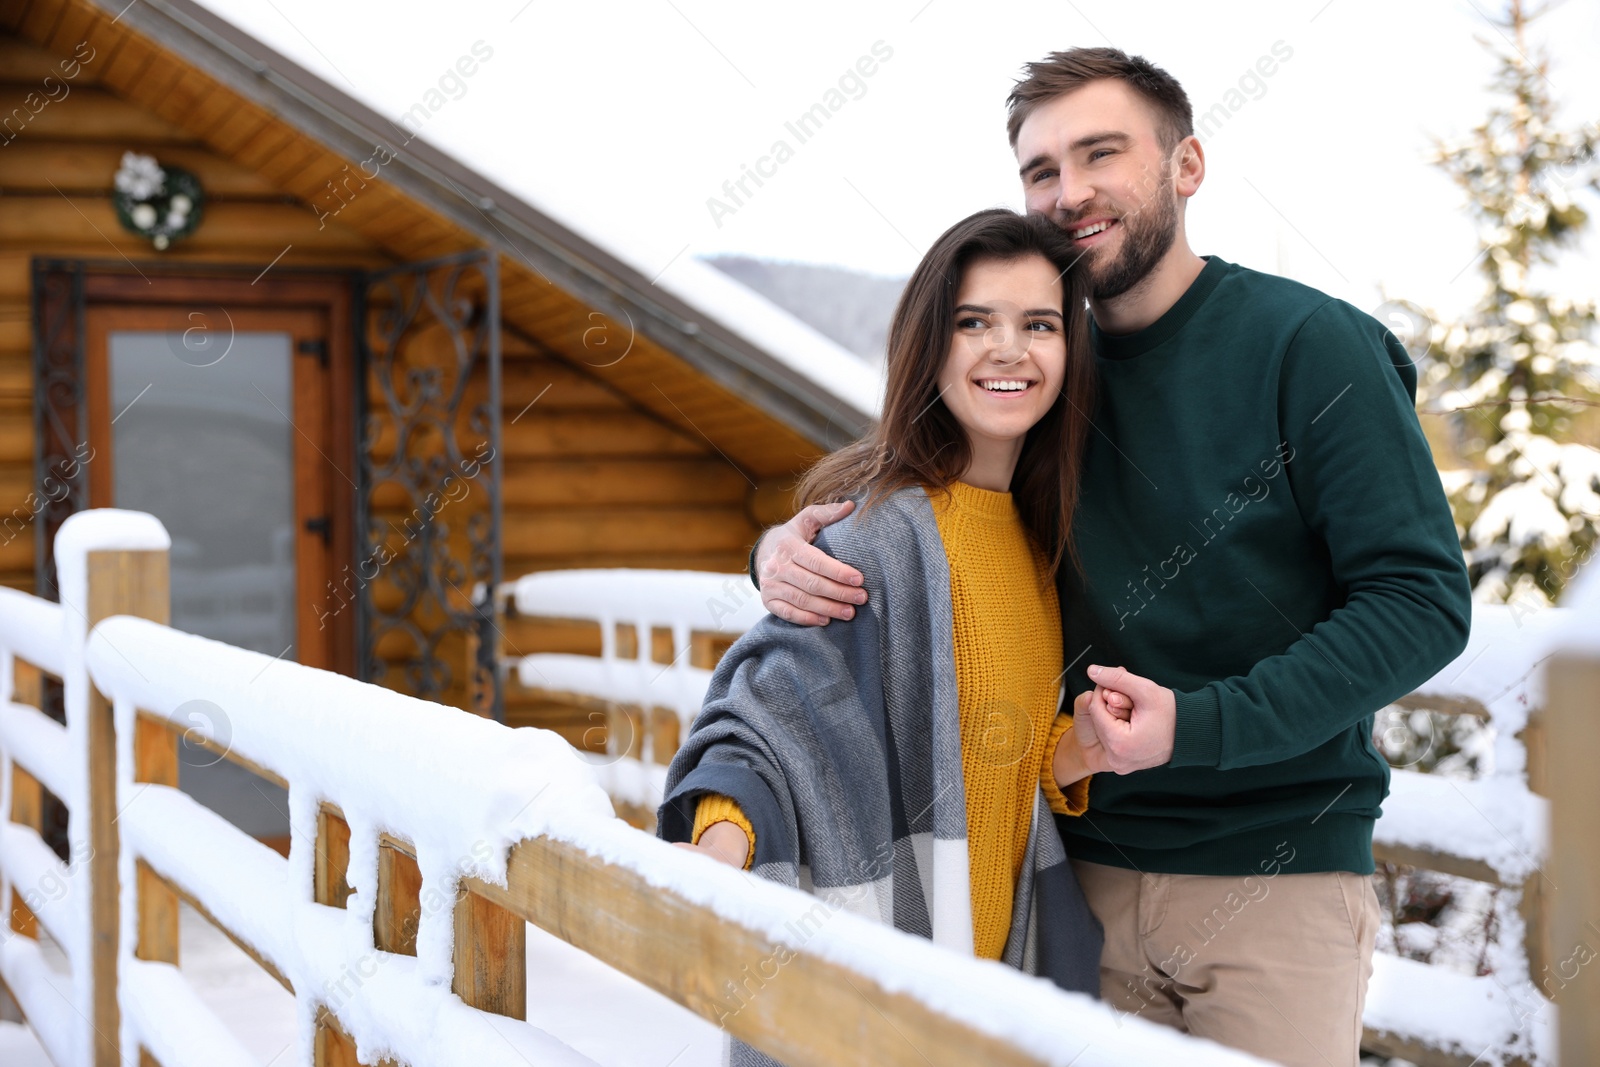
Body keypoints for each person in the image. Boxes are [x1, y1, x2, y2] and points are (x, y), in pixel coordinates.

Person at [745, 48, 1472, 1067]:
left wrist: (1203, 724)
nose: (1068, 191)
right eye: (1040, 169)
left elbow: (1420, 598)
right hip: (1063, 875)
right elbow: (915, 495)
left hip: (1272, 879)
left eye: (1100, 154)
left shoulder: (1310, 344)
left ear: (1186, 166)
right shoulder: (1036, 368)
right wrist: (778, 549)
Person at [657, 210, 1106, 1031]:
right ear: (930, 345)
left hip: (987, 981)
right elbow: (766, 712)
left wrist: (1074, 750)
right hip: (903, 975)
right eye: (976, 323)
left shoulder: (1036, 540)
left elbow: (989, 747)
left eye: (1039, 324)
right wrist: (723, 838)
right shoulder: (880, 533)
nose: (1010, 348)